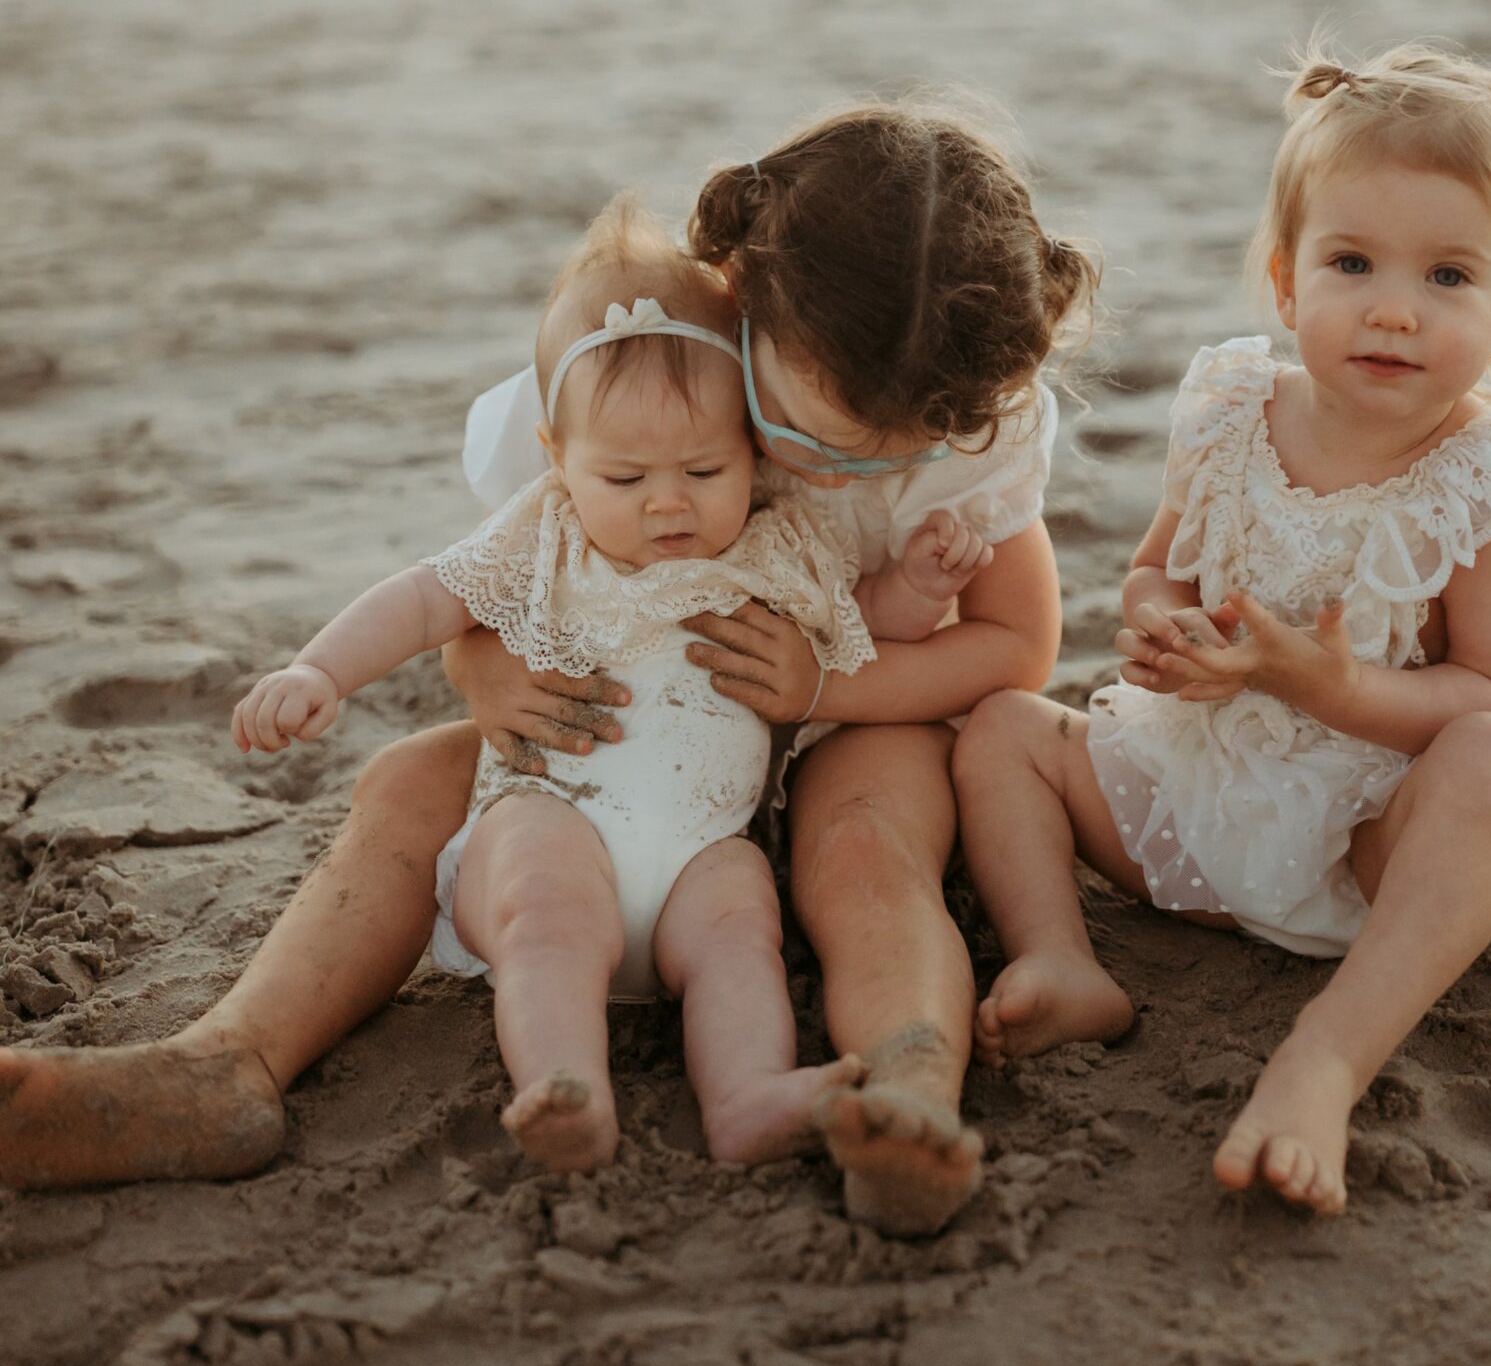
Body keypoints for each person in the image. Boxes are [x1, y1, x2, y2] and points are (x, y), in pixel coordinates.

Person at [0, 104, 1096, 1236]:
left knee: (868, 841)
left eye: (896, 449)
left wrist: (830, 694)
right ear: (739, 296)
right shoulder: (642, 353)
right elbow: (509, 568)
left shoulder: (967, 414)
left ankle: (908, 1082)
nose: (845, 467)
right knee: (403, 787)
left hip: (864, 702)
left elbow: (1019, 645)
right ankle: (226, 1063)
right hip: (622, 733)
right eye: (812, 435)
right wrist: (481, 674)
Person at [953, 45, 1491, 1215]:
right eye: (1353, 262)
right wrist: (1169, 638)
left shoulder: (1488, 479)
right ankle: (1062, 957)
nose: (1394, 307)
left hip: (1373, 849)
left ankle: (1328, 1053)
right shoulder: (1236, 408)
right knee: (1000, 728)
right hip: (1200, 807)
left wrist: (1330, 686)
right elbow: (1151, 574)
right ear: (1290, 286)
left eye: (1450, 276)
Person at [231, 196, 900, 1173]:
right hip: (551, 816)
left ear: (753, 450)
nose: (668, 500)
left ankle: (747, 1095)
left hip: (698, 851)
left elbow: (870, 634)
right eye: (625, 479)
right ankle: (564, 1084)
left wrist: (918, 585)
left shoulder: (773, 543)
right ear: (556, 458)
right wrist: (318, 667)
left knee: (741, 928)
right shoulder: (540, 535)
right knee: (548, 914)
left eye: (703, 468)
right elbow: (422, 600)